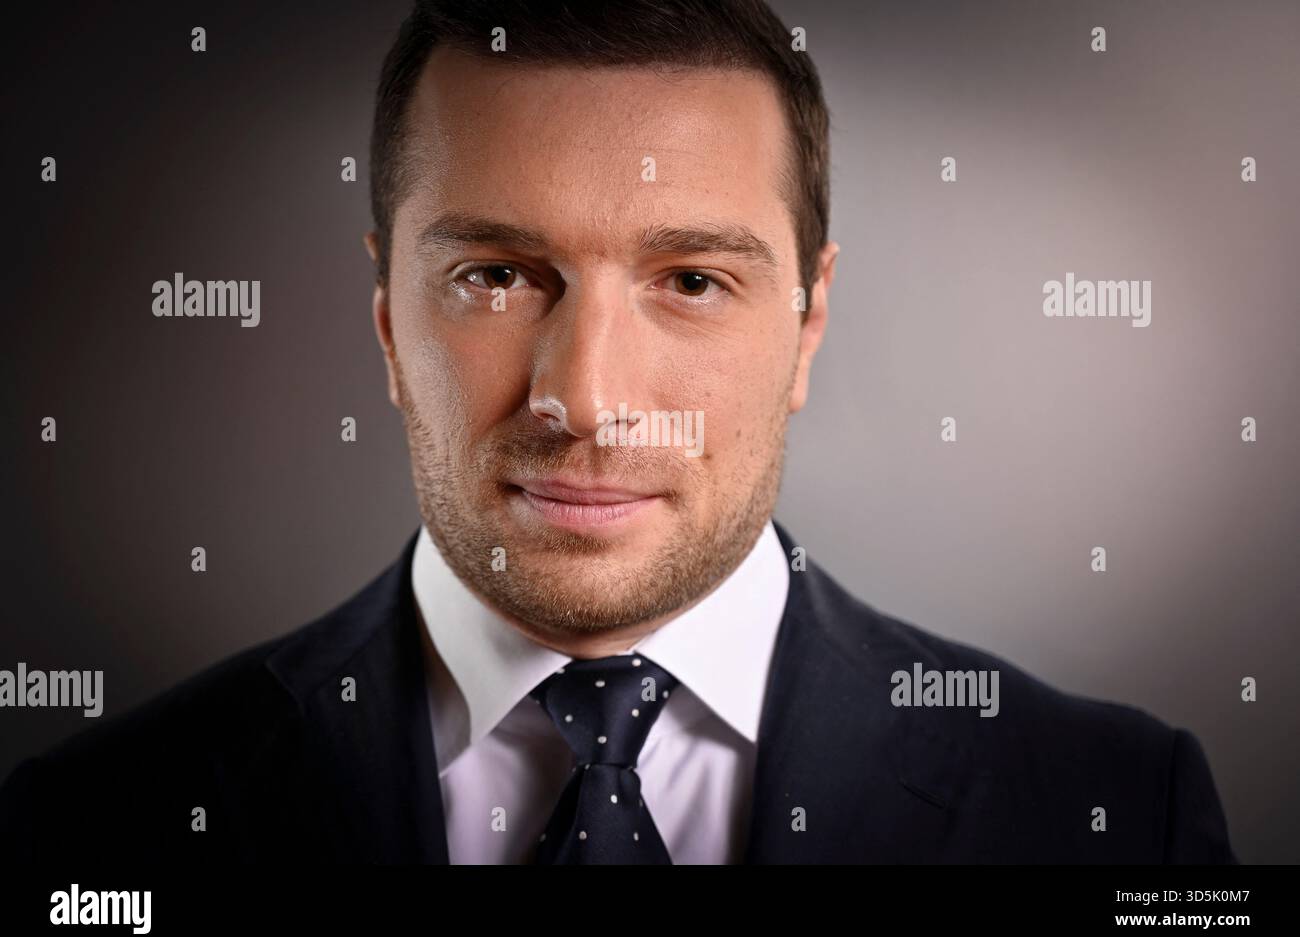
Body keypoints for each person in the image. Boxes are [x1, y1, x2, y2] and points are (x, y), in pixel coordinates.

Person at [0, 0, 1234, 864]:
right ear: (386, 322)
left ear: (807, 328)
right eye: (494, 274)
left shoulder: (1118, 813)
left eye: (692, 281)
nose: (585, 401)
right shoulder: (88, 833)